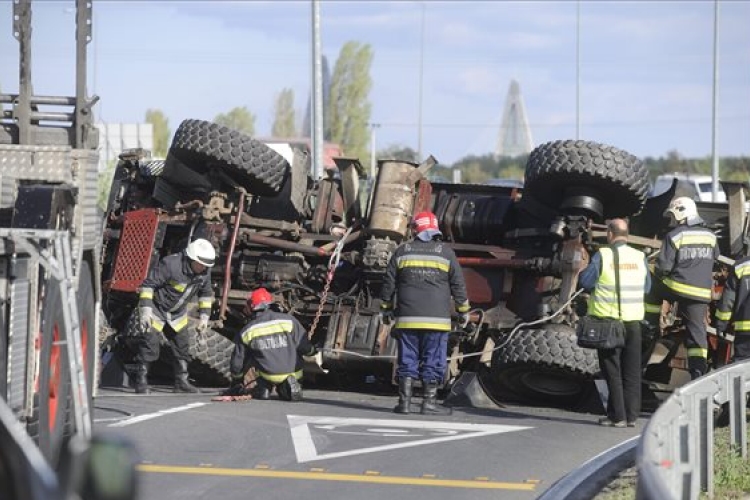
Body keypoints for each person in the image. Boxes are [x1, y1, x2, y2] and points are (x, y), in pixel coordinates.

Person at [380, 211, 470, 414]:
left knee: (407, 359)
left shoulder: (402, 251)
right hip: (436, 321)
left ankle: (404, 403)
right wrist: (463, 311)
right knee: (433, 359)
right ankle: (428, 403)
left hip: (407, 319)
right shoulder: (446, 253)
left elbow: (388, 285)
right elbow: (458, 285)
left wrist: (385, 310)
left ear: (415, 229)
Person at [578, 218, 650, 427]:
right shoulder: (639, 257)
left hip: (609, 323)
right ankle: (631, 416)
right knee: (632, 370)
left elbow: (585, 282)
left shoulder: (604, 255)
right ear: (626, 235)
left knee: (612, 370)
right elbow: (646, 287)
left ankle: (618, 416)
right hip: (634, 321)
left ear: (610, 233)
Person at [645, 196, 719, 379]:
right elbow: (715, 258)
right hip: (700, 294)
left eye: (673, 215)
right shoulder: (711, 236)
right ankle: (698, 373)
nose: (673, 219)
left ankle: (648, 326)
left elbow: (663, 267)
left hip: (677, 288)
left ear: (681, 213)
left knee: (652, 288)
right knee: (697, 333)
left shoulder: (675, 235)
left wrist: (659, 273)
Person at [134, 238, 216, 394]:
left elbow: (205, 295)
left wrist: (204, 318)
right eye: (201, 264)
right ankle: (141, 381)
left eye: (206, 266)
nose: (203, 268)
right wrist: (145, 311)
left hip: (177, 313)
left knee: (182, 347)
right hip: (156, 309)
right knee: (150, 345)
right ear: (190, 259)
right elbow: (147, 285)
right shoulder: (170, 265)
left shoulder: (205, 272)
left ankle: (181, 382)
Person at [226, 288, 317, 401]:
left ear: (253, 307)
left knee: (254, 356)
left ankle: (264, 388)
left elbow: (237, 362)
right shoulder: (289, 321)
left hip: (267, 374)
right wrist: (314, 351)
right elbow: (304, 348)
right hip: (294, 373)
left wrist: (237, 381)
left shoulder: (247, 331)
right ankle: (288, 386)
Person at [714, 255, 750, 362]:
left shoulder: (741, 266)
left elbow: (727, 301)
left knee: (742, 368)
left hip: (745, 330)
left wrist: (721, 325)